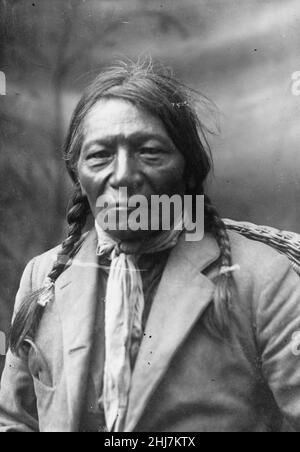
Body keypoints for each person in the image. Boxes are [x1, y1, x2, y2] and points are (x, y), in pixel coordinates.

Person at [0, 59, 300, 433]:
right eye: (99, 155)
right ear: (78, 173)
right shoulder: (42, 277)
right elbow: (14, 421)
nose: (123, 175)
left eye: (150, 152)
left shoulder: (263, 280)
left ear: (188, 170)